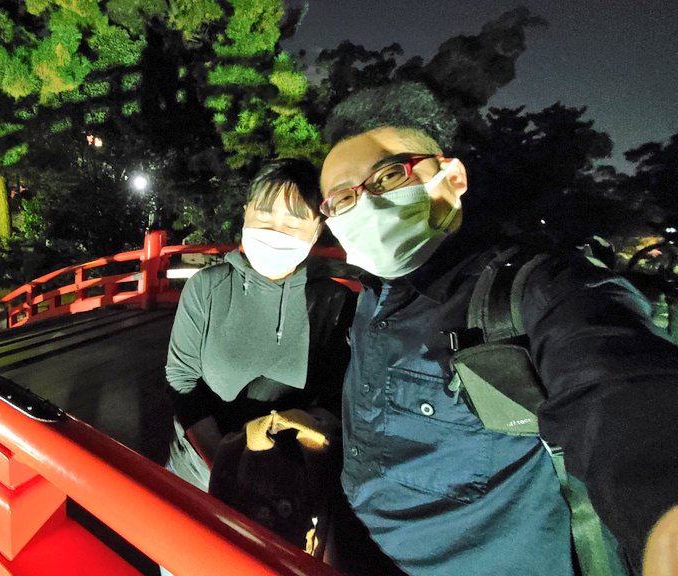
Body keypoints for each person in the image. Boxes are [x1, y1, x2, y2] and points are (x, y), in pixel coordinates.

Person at [318, 82, 678, 575]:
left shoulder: (532, 289)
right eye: (342, 198)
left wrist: (664, 519)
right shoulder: (370, 295)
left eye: (387, 175)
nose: (365, 204)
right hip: (354, 548)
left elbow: (622, 392)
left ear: (452, 177)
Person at [165, 158, 352, 493]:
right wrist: (224, 466)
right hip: (196, 473)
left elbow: (339, 395)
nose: (275, 232)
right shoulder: (206, 287)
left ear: (317, 230)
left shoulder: (334, 303)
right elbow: (181, 379)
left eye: (292, 222)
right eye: (264, 216)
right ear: (246, 213)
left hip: (284, 487)